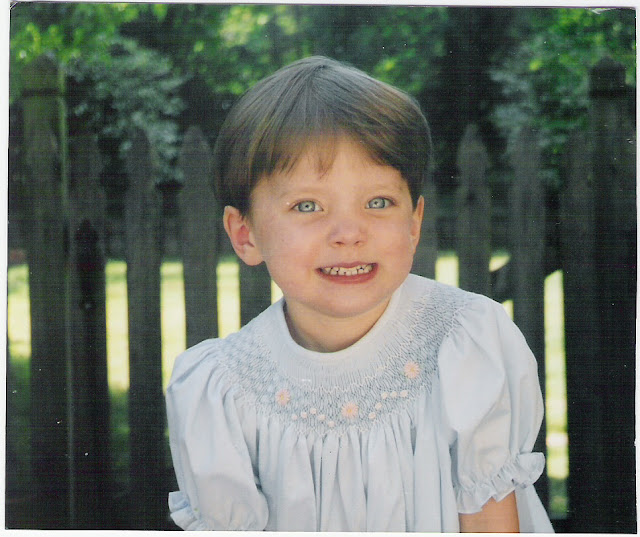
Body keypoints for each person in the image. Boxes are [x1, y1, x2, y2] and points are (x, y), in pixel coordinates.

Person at [165, 56, 554, 532]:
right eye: (307, 205)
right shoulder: (223, 390)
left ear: (414, 222)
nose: (349, 233)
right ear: (245, 234)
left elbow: (492, 522)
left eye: (378, 202)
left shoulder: (464, 344)